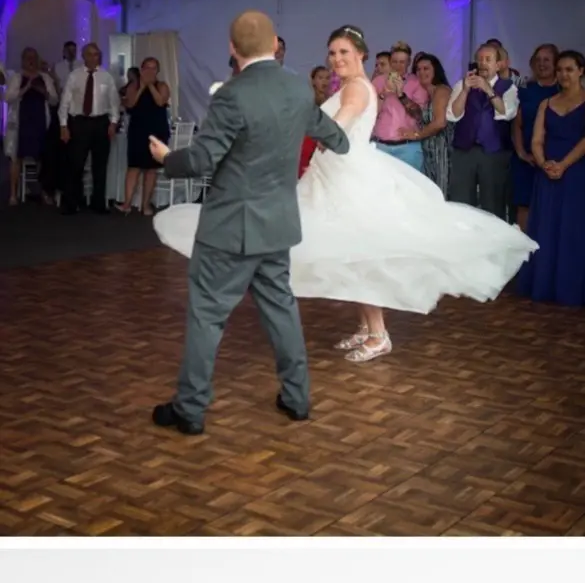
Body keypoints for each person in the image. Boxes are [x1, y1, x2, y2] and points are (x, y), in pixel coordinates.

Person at [155, 23, 537, 369]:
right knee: (347, 254)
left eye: (344, 52)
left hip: (350, 179)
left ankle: (379, 334)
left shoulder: (356, 88)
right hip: (332, 175)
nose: (336, 58)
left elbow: (342, 121)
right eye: (332, 53)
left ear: (361, 55)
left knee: (359, 255)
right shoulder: (352, 85)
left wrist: (314, 130)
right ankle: (366, 327)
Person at [149, 11, 350, 434]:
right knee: (282, 311)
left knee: (207, 316)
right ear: (275, 44)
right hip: (277, 225)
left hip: (229, 228)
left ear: (232, 48)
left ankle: (190, 409)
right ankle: (297, 398)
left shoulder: (232, 95)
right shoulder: (297, 87)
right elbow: (337, 138)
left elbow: (201, 160)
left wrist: (168, 158)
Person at [518, 51, 585, 305]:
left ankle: (572, 287)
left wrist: (564, 164)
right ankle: (546, 284)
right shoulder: (547, 103)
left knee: (574, 228)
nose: (563, 74)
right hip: (548, 171)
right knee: (547, 227)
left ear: (581, 71)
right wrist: (544, 162)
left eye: (569, 69)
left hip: (577, 171)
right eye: (560, 70)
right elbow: (536, 139)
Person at [448, 42, 518, 218]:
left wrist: (488, 89)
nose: (483, 63)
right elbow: (452, 115)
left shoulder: (508, 87)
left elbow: (507, 113)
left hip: (494, 152)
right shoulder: (462, 84)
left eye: (488, 59)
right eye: (480, 59)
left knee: (493, 203)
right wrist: (465, 91)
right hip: (464, 151)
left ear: (498, 65)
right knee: (461, 202)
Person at [59, 42, 120, 214]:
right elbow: (65, 102)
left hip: (101, 123)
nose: (93, 58)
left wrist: (113, 123)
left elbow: (114, 102)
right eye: (90, 54)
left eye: (96, 54)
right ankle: (72, 203)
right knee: (75, 164)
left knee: (100, 165)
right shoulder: (74, 76)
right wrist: (63, 125)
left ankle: (98, 203)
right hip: (79, 122)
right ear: (83, 56)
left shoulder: (106, 77)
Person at [511, 43, 559, 231]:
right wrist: (521, 152)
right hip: (527, 159)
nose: (542, 64)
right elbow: (517, 124)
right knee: (524, 204)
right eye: (538, 60)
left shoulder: (562, 91)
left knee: (551, 205)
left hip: (555, 159)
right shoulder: (525, 91)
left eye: (546, 60)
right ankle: (524, 246)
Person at [4, 48, 58, 205]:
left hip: (40, 121)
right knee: (16, 157)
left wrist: (45, 93)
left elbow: (54, 100)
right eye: (28, 58)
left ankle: (43, 191)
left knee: (44, 157)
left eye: (34, 57)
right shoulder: (16, 77)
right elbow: (8, 98)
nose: (31, 61)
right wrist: (25, 88)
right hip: (21, 121)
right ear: (23, 60)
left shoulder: (45, 78)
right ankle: (13, 194)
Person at [117, 58, 170, 216]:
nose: (150, 71)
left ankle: (145, 205)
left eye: (153, 68)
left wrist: (150, 86)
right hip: (137, 131)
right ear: (141, 70)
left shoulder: (162, 86)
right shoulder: (133, 86)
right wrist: (141, 87)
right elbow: (130, 104)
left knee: (151, 170)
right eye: (147, 68)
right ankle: (127, 204)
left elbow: (160, 102)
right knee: (133, 167)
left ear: (157, 71)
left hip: (157, 131)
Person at [397, 54, 453, 197]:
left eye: (426, 68)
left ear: (436, 70)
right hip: (430, 153)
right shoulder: (428, 94)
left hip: (443, 153)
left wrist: (416, 135)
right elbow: (420, 117)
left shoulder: (442, 90)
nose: (421, 72)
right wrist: (401, 95)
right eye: (418, 69)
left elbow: (440, 122)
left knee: (441, 196)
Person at [372, 40, 427, 171]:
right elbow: (370, 113)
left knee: (410, 184)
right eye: (395, 62)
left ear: (409, 62)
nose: (398, 66)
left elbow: (419, 115)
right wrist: (383, 94)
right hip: (381, 146)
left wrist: (401, 95)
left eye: (402, 62)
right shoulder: (378, 81)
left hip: (408, 148)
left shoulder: (416, 82)